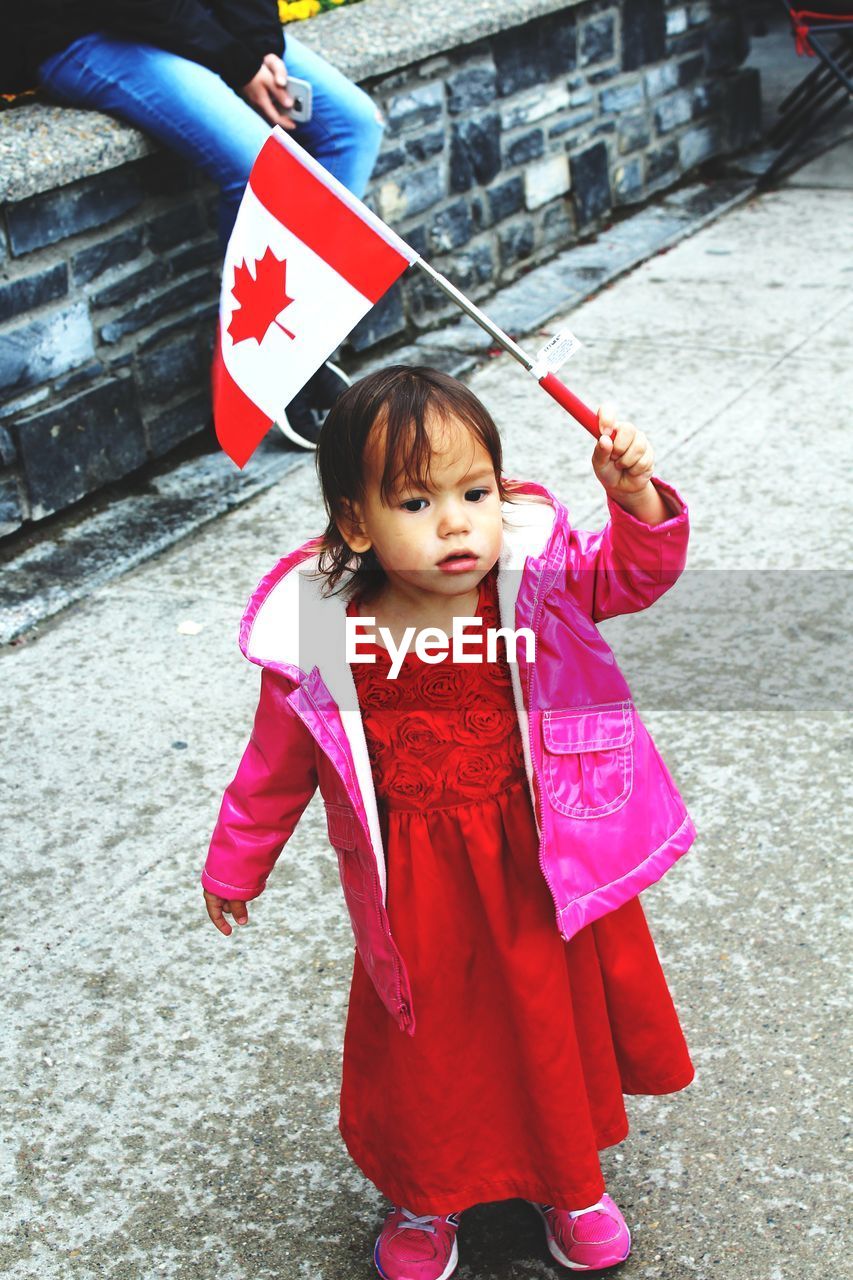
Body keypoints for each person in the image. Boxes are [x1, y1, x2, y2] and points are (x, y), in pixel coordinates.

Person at [201, 366, 697, 1279]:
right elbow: (273, 768)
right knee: (429, 1047)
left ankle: (568, 1181)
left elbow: (633, 572)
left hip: (536, 867)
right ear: (356, 522)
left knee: (547, 1026)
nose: (457, 521)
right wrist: (237, 862)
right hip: (416, 890)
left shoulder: (536, 586)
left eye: (476, 492)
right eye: (416, 500)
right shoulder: (324, 638)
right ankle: (427, 1195)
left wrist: (633, 496)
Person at [7, 1, 384, 448]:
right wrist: (238, 61)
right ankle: (261, 364)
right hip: (87, 28)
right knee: (258, 168)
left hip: (200, 25)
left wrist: (259, 43)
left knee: (353, 126)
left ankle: (293, 339)